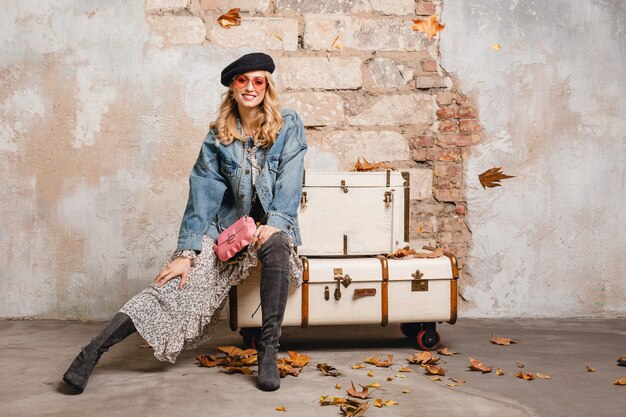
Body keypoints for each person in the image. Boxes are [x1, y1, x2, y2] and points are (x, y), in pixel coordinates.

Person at [62, 52, 307, 393]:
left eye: (258, 81)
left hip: (268, 230)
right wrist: (187, 252)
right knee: (170, 287)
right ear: (232, 88)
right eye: (242, 81)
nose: (250, 87)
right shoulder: (218, 137)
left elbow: (291, 179)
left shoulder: (288, 125)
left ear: (267, 87)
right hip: (228, 231)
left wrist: (278, 220)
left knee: (278, 244)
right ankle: (90, 354)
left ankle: (268, 350)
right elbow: (203, 195)